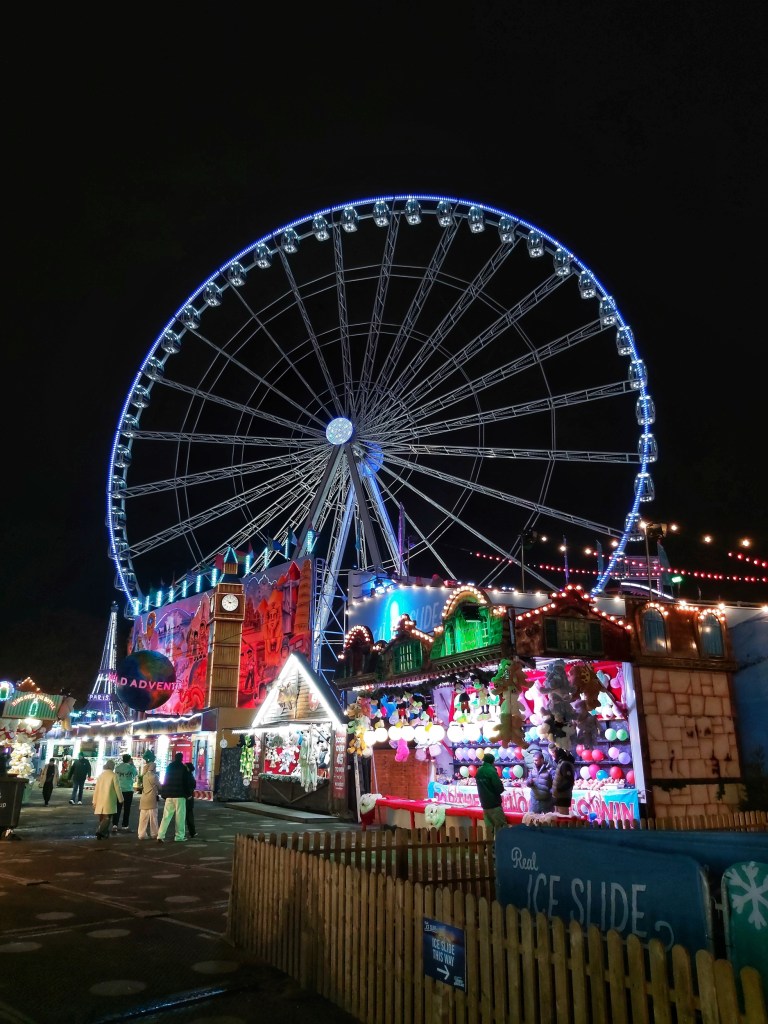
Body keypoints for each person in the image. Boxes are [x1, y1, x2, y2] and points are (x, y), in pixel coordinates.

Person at [157, 752, 194, 842]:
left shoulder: (169, 767)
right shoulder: (183, 768)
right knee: (180, 817)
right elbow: (185, 783)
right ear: (181, 758)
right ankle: (179, 836)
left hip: (169, 796)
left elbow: (165, 781)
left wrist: (164, 793)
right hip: (180, 796)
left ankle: (160, 835)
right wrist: (188, 794)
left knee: (166, 816)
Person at [475, 752, 508, 838]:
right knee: (500, 827)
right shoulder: (491, 771)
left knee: (489, 828)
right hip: (494, 804)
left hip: (484, 804)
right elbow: (499, 787)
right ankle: (499, 848)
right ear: (492, 761)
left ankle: (489, 849)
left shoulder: (479, 771)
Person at [92, 759, 123, 840]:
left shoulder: (101, 775)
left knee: (102, 817)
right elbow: (117, 788)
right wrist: (121, 799)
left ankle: (104, 833)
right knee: (107, 817)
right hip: (109, 799)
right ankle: (100, 831)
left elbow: (96, 789)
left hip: (100, 799)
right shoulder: (114, 775)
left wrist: (94, 801)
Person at [112, 754, 138, 831]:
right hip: (128, 790)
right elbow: (136, 774)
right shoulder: (131, 767)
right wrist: (133, 764)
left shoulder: (118, 767)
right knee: (127, 808)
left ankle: (115, 824)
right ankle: (125, 824)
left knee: (117, 808)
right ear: (129, 759)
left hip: (119, 789)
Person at [549, 743, 576, 816]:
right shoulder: (562, 763)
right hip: (559, 797)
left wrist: (558, 789)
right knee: (557, 818)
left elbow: (569, 781)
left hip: (563, 798)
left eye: (555, 753)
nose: (553, 754)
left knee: (562, 818)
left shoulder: (565, 764)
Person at [136, 760, 161, 839]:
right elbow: (159, 786)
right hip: (152, 798)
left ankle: (141, 834)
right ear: (154, 768)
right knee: (153, 817)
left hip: (144, 799)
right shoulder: (155, 776)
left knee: (143, 818)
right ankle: (154, 833)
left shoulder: (144, 776)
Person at [527, 746, 554, 814]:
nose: (534, 762)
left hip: (546, 803)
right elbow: (527, 782)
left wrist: (550, 792)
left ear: (542, 760)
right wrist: (529, 783)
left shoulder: (549, 770)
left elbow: (555, 784)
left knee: (547, 823)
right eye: (534, 760)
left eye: (536, 760)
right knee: (533, 822)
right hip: (534, 803)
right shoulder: (532, 770)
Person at [184, 762, 197, 838]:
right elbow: (194, 786)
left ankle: (183, 833)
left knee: (186, 816)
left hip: (187, 798)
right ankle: (192, 832)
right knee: (189, 816)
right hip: (190, 798)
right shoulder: (191, 776)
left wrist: (188, 795)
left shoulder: (187, 776)